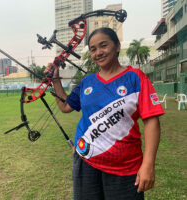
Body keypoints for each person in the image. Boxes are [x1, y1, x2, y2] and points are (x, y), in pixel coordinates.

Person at [44, 27, 164, 200]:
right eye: (93, 49)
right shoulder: (87, 81)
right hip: (86, 161)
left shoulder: (135, 78)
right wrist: (55, 79)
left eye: (103, 45)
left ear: (116, 46)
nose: (98, 52)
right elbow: (65, 106)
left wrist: (148, 164)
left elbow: (151, 121)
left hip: (125, 168)